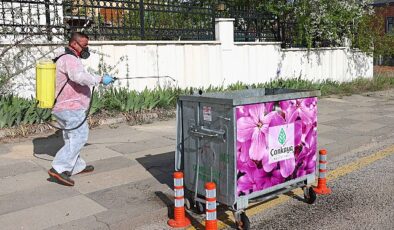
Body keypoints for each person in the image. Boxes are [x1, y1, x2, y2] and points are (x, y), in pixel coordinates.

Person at [47, 32, 114, 186]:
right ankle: (58, 168)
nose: (86, 48)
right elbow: (79, 77)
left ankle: (76, 166)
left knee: (71, 137)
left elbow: (79, 75)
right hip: (70, 106)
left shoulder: (66, 57)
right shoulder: (69, 59)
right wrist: (100, 79)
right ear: (74, 44)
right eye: (84, 45)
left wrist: (98, 78)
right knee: (80, 136)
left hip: (65, 106)